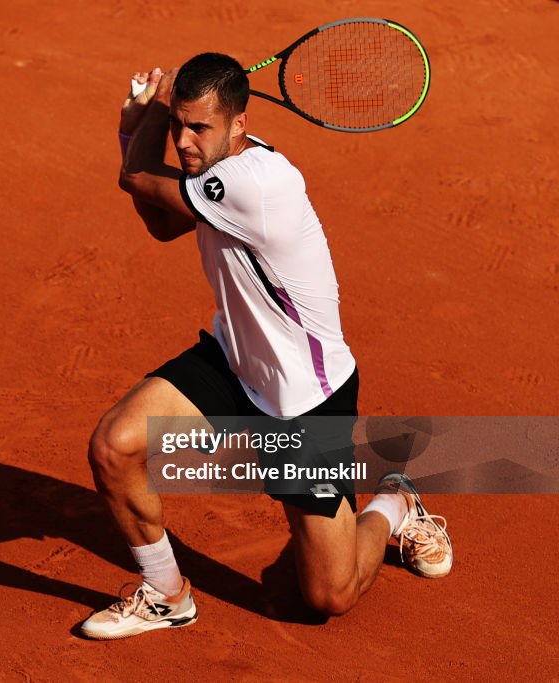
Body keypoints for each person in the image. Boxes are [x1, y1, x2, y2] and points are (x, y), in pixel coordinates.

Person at [80, 54, 453, 640]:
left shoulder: (252, 185)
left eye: (197, 127)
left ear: (239, 124)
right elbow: (161, 223)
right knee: (114, 445)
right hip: (235, 365)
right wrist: (144, 128)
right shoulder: (219, 172)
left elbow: (135, 178)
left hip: (305, 400)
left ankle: (392, 506)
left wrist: (141, 119)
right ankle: (167, 595)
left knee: (328, 596)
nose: (183, 141)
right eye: (178, 124)